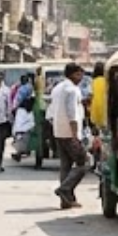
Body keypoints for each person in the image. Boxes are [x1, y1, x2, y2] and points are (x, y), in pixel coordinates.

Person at [49, 62, 88, 210]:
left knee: (65, 166)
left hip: (58, 131)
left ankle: (66, 200)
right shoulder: (72, 90)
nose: (81, 77)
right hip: (70, 132)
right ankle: (65, 189)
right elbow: (72, 113)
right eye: (79, 74)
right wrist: (75, 134)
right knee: (84, 163)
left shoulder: (58, 88)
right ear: (72, 74)